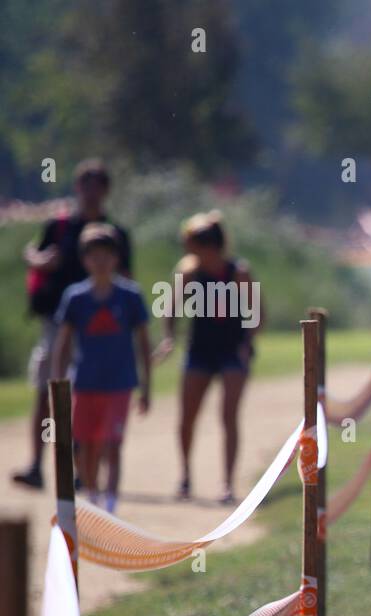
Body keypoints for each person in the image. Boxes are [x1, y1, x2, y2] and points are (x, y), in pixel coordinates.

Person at [13, 159, 132, 490]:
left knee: (87, 394)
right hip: (56, 320)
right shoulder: (59, 226)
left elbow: (128, 280)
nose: (91, 193)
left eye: (97, 186)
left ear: (106, 191)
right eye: (86, 186)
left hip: (96, 328)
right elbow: (33, 254)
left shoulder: (117, 234)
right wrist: (40, 260)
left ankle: (83, 469)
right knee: (47, 389)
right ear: (78, 188)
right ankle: (37, 464)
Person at [153, 211, 257, 504]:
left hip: (232, 352)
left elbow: (256, 314)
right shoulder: (189, 271)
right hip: (199, 350)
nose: (187, 249)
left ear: (208, 245)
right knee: (187, 418)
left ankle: (227, 483)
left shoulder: (238, 271)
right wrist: (169, 337)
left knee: (228, 418)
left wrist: (247, 343)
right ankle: (185, 477)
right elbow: (169, 309)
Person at [49, 224, 150, 514]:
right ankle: (92, 494)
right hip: (85, 382)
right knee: (87, 444)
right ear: (85, 260)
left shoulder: (130, 296)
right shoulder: (76, 298)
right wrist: (57, 385)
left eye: (107, 255)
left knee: (112, 443)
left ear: (116, 258)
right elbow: (64, 343)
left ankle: (112, 501)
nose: (101, 262)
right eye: (95, 256)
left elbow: (143, 343)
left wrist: (146, 386)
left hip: (119, 384)